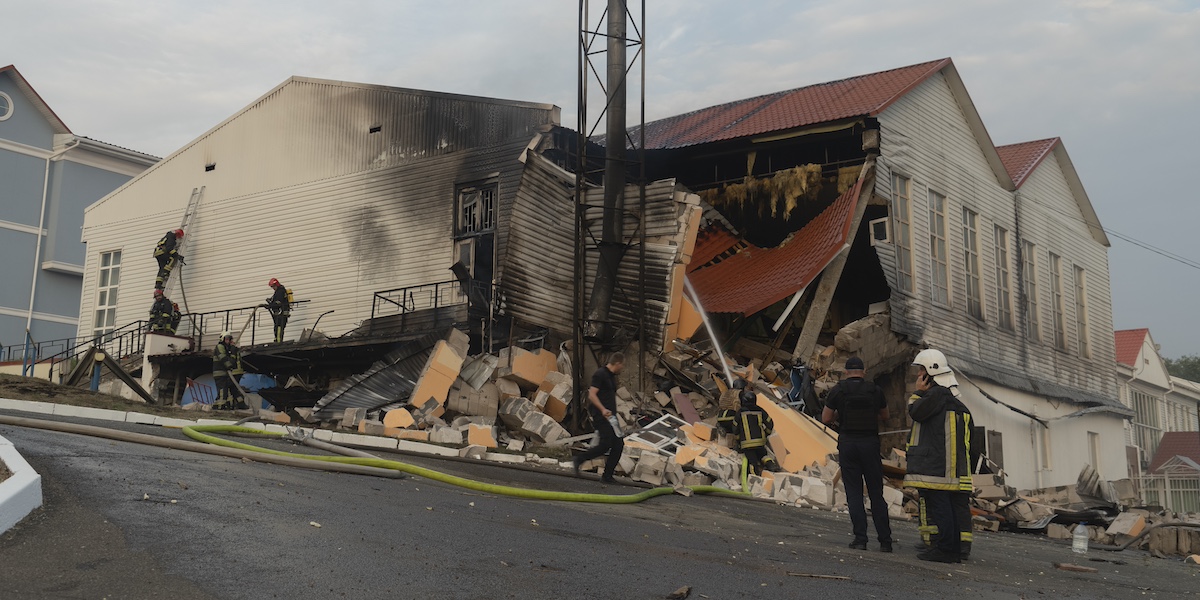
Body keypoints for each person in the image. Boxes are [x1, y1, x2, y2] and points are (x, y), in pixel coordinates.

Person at [903, 349, 974, 564]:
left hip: (936, 466)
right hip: (949, 467)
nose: (918, 376)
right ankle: (951, 549)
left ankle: (945, 550)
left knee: (940, 508)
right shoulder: (956, 403)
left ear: (930, 374)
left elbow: (915, 411)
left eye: (921, 371)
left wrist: (917, 393)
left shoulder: (936, 395)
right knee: (949, 508)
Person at [822, 356, 894, 552]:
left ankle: (860, 539)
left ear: (846, 372)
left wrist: (840, 415)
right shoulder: (874, 390)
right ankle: (885, 541)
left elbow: (826, 418)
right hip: (870, 444)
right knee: (876, 493)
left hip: (848, 444)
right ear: (864, 371)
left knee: (854, 493)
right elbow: (886, 415)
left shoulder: (839, 390)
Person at [572, 353, 626, 483]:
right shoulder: (600, 374)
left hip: (611, 417)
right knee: (605, 444)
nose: (623, 368)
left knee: (618, 444)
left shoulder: (611, 377)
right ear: (618, 363)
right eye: (622, 365)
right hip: (601, 415)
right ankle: (579, 459)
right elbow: (592, 395)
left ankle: (607, 476)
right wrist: (602, 409)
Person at [733, 388, 777, 474]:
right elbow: (770, 423)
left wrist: (738, 441)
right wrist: (765, 433)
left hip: (747, 444)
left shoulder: (740, 412)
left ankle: (755, 478)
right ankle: (771, 465)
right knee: (763, 455)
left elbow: (735, 428)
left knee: (752, 461)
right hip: (760, 442)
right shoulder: (760, 410)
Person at [212, 331, 248, 411]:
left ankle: (222, 405)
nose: (228, 341)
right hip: (220, 373)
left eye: (229, 339)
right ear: (222, 339)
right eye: (227, 339)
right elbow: (223, 358)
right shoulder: (220, 346)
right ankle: (220, 406)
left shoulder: (228, 348)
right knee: (223, 390)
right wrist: (230, 365)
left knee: (229, 389)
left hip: (225, 373)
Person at [264, 278, 290, 343]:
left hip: (281, 314)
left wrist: (270, 306)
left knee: (279, 329)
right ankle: (277, 340)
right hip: (280, 314)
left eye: (273, 286)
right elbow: (274, 300)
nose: (273, 288)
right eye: (272, 287)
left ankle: (278, 342)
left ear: (276, 284)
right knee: (277, 328)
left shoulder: (280, 291)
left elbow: (278, 302)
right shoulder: (278, 291)